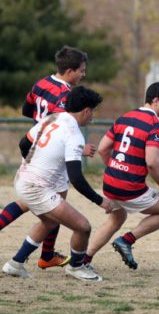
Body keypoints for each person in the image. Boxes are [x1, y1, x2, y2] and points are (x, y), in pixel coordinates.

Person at [2, 86, 112, 281]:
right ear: (86, 111)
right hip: (36, 187)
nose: (92, 116)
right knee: (83, 227)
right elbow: (77, 178)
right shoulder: (74, 135)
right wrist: (100, 201)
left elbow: (23, 143)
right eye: (92, 111)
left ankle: (15, 264)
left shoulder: (53, 117)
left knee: (50, 222)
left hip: (23, 179)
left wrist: (32, 163)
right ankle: (76, 267)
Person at [0, 45, 93, 270]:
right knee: (54, 204)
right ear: (70, 71)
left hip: (36, 146)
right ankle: (46, 255)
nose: (84, 74)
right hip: (50, 153)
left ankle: (47, 255)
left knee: (34, 202)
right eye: (81, 70)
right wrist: (79, 149)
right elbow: (65, 126)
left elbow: (26, 109)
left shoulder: (41, 83)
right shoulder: (66, 97)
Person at [83, 82, 159, 271]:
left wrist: (116, 168)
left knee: (116, 219)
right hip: (129, 188)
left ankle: (84, 260)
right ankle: (126, 240)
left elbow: (102, 149)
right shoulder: (155, 126)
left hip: (109, 182)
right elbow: (152, 162)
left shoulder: (124, 117)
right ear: (156, 100)